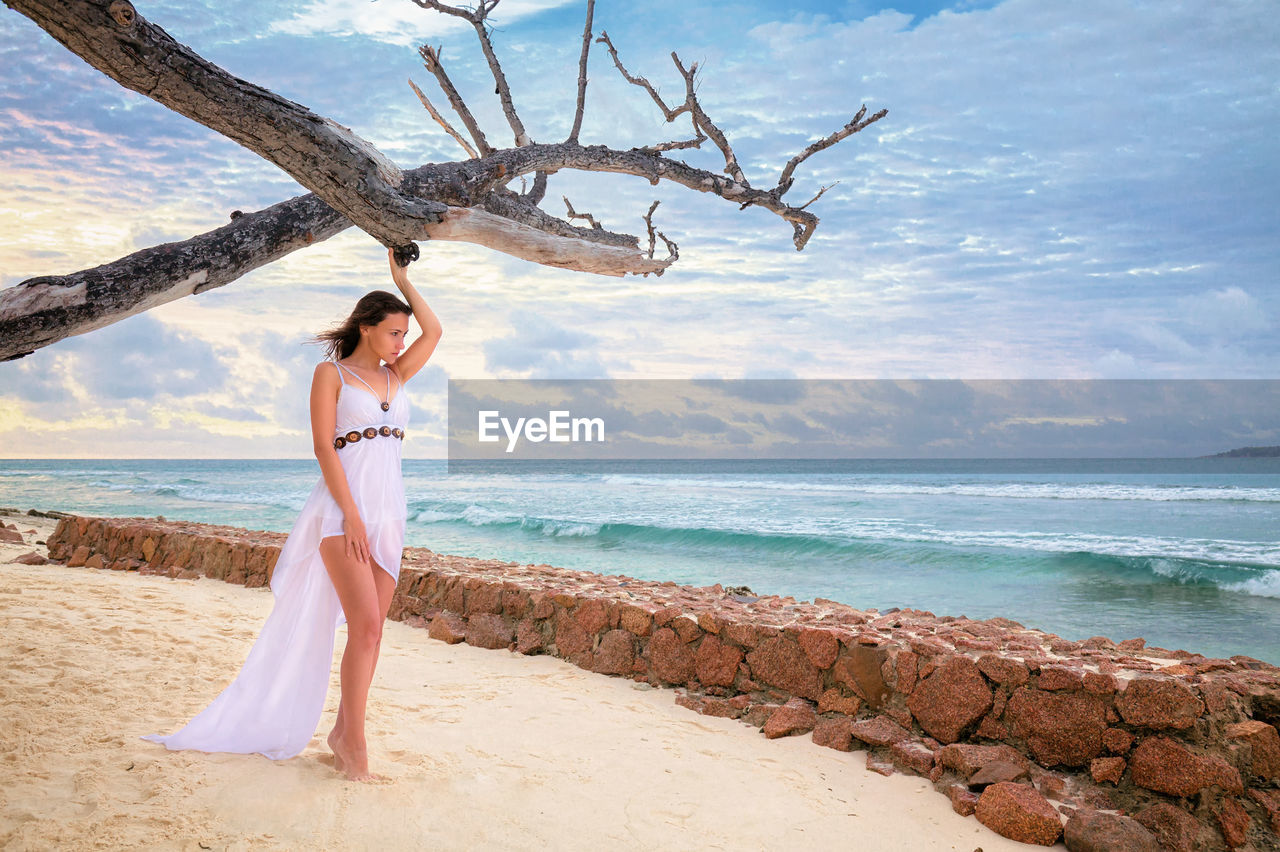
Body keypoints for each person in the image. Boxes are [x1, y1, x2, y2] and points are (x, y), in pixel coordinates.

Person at [141, 247, 442, 782]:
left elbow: (435, 332)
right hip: (339, 513)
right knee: (367, 623)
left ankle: (344, 731)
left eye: (403, 333)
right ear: (368, 329)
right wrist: (350, 515)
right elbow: (325, 448)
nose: (402, 341)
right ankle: (354, 745)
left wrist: (401, 280)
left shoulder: (398, 377)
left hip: (389, 513)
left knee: (370, 634)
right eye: (394, 332)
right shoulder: (331, 374)